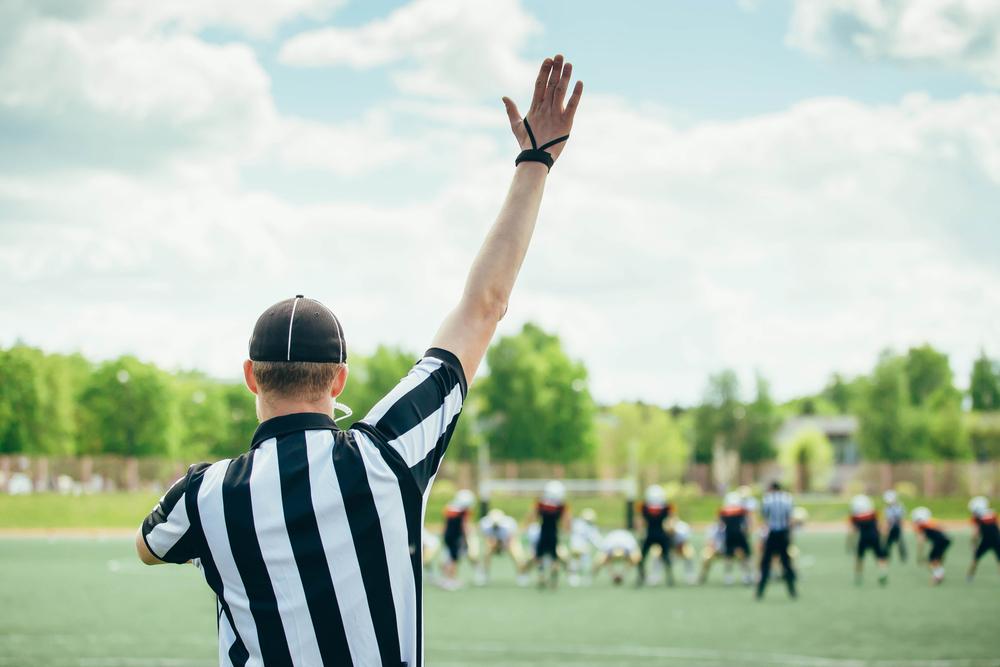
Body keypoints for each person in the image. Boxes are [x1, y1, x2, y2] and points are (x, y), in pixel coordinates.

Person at [135, 54, 584, 667]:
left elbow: (148, 545)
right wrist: (535, 162)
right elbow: (484, 307)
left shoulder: (205, 492)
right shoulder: (388, 454)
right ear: (339, 378)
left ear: (249, 377)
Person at [756, 481, 797, 600]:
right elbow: (790, 519)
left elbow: (764, 518)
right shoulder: (788, 499)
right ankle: (792, 590)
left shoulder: (767, 499)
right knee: (786, 562)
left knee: (765, 563)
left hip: (772, 534)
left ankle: (760, 591)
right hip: (783, 534)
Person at [527, 480, 571, 589]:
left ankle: (541, 575)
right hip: (554, 533)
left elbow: (532, 516)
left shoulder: (541, 504)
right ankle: (554, 579)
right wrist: (567, 530)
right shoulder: (561, 506)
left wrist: (528, 526)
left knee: (539, 556)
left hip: (543, 532)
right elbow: (567, 520)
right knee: (554, 557)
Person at [637, 484, 675, 586]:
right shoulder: (664, 507)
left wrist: (640, 531)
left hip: (652, 534)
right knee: (664, 556)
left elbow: (640, 521)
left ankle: (642, 578)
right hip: (658, 534)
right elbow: (671, 521)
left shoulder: (645, 506)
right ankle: (669, 578)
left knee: (645, 557)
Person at [848, 494, 888, 586]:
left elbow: (853, 530)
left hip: (863, 539)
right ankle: (883, 572)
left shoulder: (855, 517)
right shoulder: (873, 514)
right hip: (875, 538)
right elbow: (881, 527)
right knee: (880, 557)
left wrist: (850, 542)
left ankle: (858, 575)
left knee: (859, 558)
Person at [476, 508, 523, 585]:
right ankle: (484, 574)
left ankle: (521, 574)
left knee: (516, 554)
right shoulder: (484, 524)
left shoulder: (509, 524)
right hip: (493, 543)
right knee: (486, 553)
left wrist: (504, 545)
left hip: (507, 542)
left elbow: (511, 540)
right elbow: (487, 540)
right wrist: (493, 544)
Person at [440, 489, 475, 589]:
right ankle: (450, 580)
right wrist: (467, 537)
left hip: (447, 536)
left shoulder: (449, 508)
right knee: (453, 559)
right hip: (455, 538)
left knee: (448, 557)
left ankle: (446, 578)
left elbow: (445, 524)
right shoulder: (463, 512)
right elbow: (465, 526)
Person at [718, 491, 753, 586]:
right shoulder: (742, 511)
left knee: (729, 556)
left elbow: (721, 526)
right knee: (744, 556)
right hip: (740, 535)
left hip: (729, 535)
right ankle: (746, 576)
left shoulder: (724, 511)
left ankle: (728, 576)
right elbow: (747, 524)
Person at [911, 506, 951, 585]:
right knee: (936, 559)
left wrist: (919, 555)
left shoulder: (921, 526)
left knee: (931, 560)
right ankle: (939, 573)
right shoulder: (931, 522)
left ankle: (937, 576)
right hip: (945, 541)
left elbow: (921, 542)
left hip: (940, 542)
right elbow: (942, 529)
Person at [966, 496, 1000, 582]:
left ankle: (970, 576)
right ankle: (970, 575)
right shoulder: (992, 515)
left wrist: (973, 543)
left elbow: (975, 533)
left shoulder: (977, 518)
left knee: (976, 559)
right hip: (997, 540)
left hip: (985, 541)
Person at [568, 508, 603, 586]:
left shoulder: (577, 523)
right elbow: (596, 540)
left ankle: (576, 576)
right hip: (580, 548)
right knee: (581, 561)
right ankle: (578, 577)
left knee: (579, 562)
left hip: (579, 547)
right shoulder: (586, 526)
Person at [882, 490, 907, 562]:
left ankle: (903, 556)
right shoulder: (887, 508)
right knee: (888, 543)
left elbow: (900, 518)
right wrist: (886, 527)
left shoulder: (899, 506)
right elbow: (887, 519)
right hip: (891, 527)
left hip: (896, 527)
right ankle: (886, 556)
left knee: (900, 543)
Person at [670, 520, 697, 584]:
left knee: (689, 555)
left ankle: (690, 576)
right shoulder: (663, 524)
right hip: (669, 548)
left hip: (682, 546)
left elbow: (685, 539)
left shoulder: (682, 525)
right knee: (657, 554)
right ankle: (655, 575)